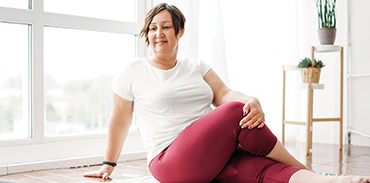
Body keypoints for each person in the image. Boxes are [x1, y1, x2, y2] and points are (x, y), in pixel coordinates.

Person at [84, 3, 370, 183]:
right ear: (147, 34)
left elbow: (224, 93)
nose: (158, 33)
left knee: (263, 169)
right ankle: (307, 167)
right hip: (169, 161)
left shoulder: (196, 66)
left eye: (166, 27)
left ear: (180, 31)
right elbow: (119, 121)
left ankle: (328, 181)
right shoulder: (133, 71)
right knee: (236, 111)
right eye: (153, 28)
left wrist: (252, 101)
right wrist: (108, 165)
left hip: (212, 155)